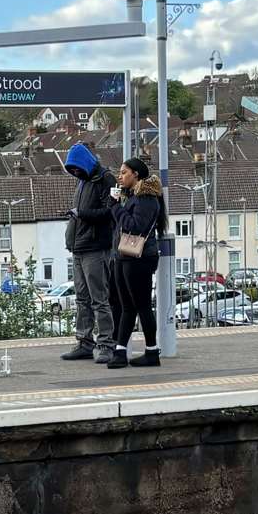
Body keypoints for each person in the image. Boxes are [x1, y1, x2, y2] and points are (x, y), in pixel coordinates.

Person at [60, 143, 117, 363]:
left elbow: (110, 211)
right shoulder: (83, 181)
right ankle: (85, 341)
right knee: (82, 298)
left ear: (85, 163)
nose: (75, 172)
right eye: (71, 169)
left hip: (95, 248)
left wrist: (81, 213)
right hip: (79, 248)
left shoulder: (106, 180)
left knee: (98, 299)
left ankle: (105, 343)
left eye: (76, 168)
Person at [108, 157, 165, 369]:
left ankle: (152, 351)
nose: (119, 176)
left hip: (140, 258)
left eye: (124, 172)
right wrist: (116, 205)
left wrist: (116, 208)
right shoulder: (131, 196)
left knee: (141, 305)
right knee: (127, 307)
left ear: (136, 175)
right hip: (124, 256)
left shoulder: (147, 199)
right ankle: (120, 351)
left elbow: (135, 226)